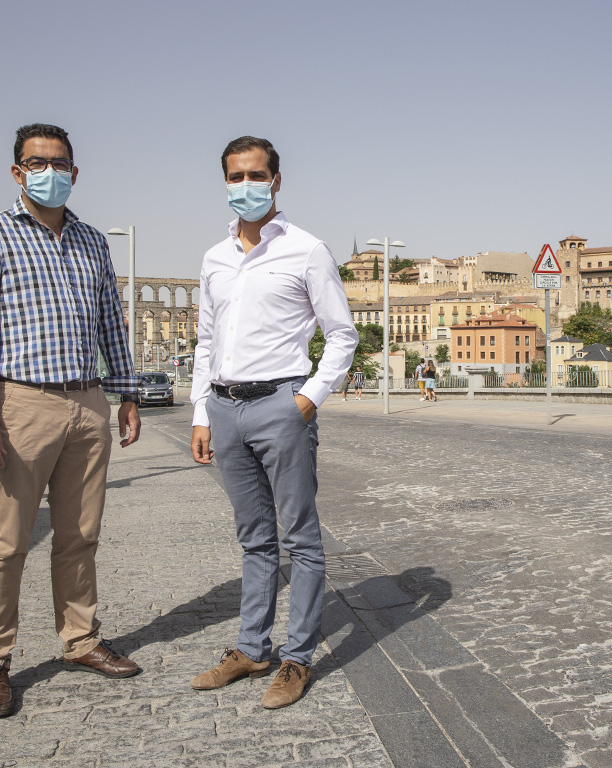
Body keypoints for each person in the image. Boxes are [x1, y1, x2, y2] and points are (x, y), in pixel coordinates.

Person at [0, 123, 142, 719]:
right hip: (20, 402)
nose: (48, 172)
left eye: (59, 164)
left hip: (87, 401)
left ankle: (80, 640)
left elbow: (110, 321)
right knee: (6, 542)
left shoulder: (89, 241)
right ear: (17, 171)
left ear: (74, 173)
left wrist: (126, 393)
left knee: (80, 535)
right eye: (36, 163)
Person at [189, 136, 357, 709]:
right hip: (224, 407)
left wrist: (307, 399)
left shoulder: (307, 250)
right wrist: (199, 413)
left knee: (301, 539)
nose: (245, 187)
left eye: (255, 176)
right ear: (225, 182)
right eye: (235, 177)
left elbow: (342, 335)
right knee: (254, 539)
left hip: (281, 405)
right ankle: (250, 648)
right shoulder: (214, 258)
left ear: (276, 180)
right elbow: (206, 340)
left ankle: (297, 658)